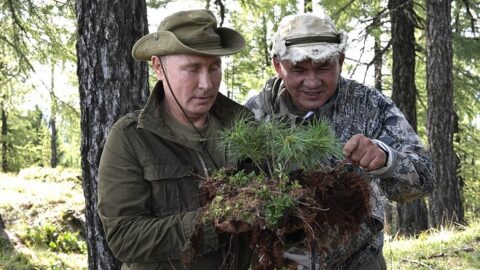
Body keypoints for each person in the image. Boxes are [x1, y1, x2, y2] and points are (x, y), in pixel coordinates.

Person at [245, 12, 435, 269]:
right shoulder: (255, 115)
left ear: (341, 61)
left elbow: (424, 178)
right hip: (282, 262)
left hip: (357, 260)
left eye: (323, 66)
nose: (312, 82)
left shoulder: (369, 106)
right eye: (299, 69)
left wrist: (386, 159)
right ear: (278, 66)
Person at [98, 9, 254, 270]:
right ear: (158, 67)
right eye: (192, 69)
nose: (206, 83)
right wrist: (208, 224)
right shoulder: (131, 138)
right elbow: (124, 237)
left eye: (214, 68)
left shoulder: (243, 124)